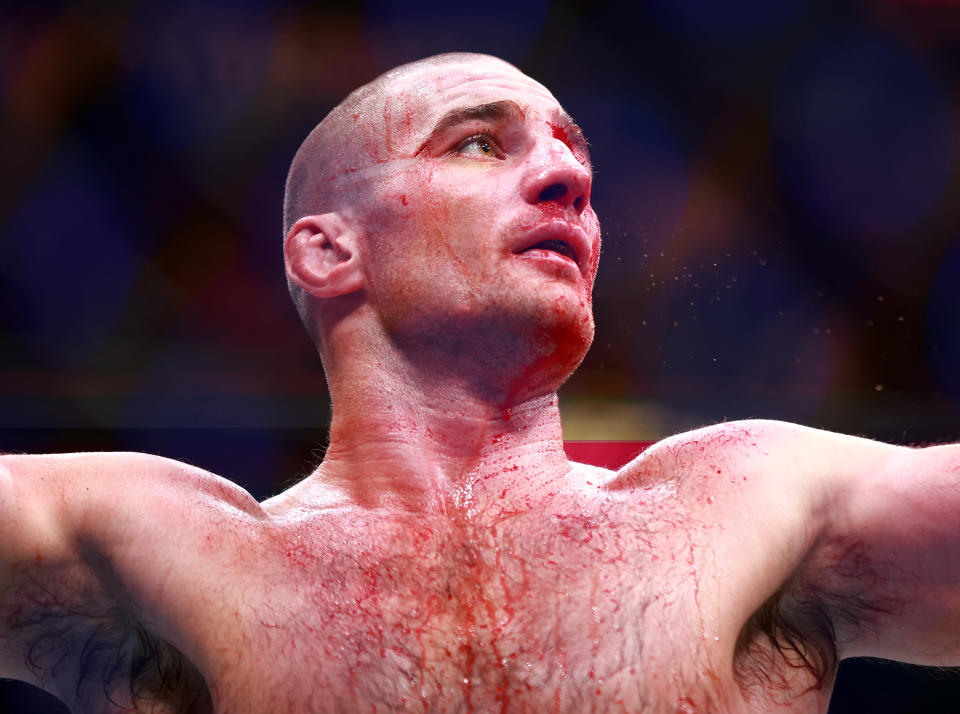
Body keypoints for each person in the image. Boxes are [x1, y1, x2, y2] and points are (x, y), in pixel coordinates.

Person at [1, 51, 958, 714]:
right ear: (330, 249)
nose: (567, 178)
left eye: (574, 153)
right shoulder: (162, 541)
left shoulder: (747, 499)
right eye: (477, 143)